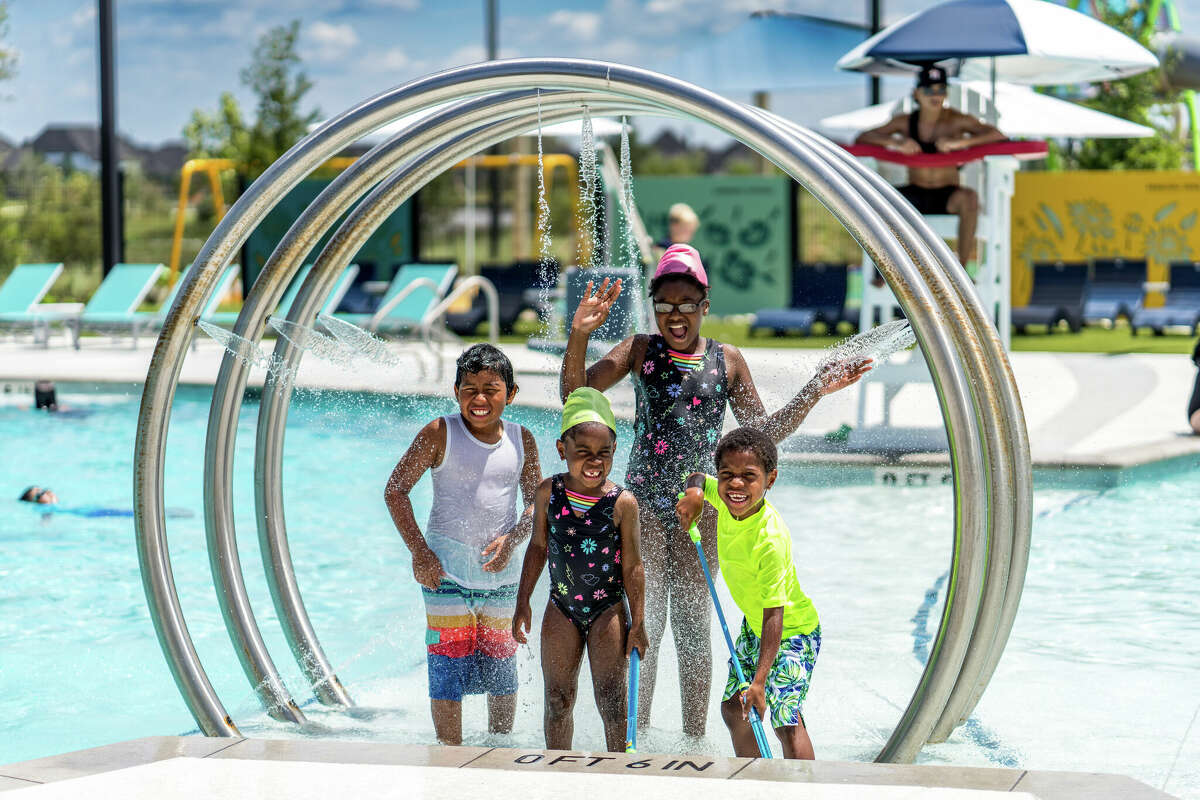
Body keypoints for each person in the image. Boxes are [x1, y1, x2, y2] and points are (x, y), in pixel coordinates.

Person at [559, 244, 869, 736]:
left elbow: (762, 434)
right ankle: (635, 739)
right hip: (643, 505)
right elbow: (577, 400)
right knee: (648, 621)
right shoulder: (640, 350)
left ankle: (694, 738)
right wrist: (579, 336)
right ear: (653, 308)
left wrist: (814, 389)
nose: (675, 316)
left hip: (704, 508)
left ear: (705, 305)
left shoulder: (728, 360)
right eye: (665, 306)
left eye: (687, 305)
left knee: (694, 625)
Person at [384, 343, 542, 746]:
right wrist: (420, 551)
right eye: (469, 389)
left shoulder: (523, 440)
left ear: (511, 393)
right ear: (456, 393)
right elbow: (396, 490)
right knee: (447, 663)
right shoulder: (441, 432)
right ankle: (449, 751)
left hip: (502, 577)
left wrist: (513, 539)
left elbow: (535, 505)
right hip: (444, 573)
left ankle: (499, 747)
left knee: (501, 663)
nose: (480, 399)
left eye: (491, 388)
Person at [512, 387, 647, 752]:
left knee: (612, 702)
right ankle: (559, 774)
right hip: (561, 608)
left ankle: (620, 776)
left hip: (608, 611)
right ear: (562, 450)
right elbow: (538, 548)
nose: (594, 461)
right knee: (557, 700)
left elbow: (633, 566)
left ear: (614, 451)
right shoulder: (547, 492)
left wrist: (639, 622)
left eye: (604, 453)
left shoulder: (623, 503)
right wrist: (523, 601)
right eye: (583, 452)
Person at [675, 427, 820, 760]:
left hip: (792, 632)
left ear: (770, 480)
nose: (736, 484)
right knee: (735, 710)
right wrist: (695, 495)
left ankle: (805, 790)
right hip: (757, 628)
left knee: (785, 720)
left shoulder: (771, 539)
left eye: (749, 477)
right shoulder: (726, 500)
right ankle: (757, 782)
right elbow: (696, 476)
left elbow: (775, 614)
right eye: (727, 475)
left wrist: (759, 681)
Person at [854, 65, 1006, 266]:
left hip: (948, 195)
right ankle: (885, 267)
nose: (935, 95)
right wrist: (897, 143)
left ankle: (961, 268)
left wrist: (960, 143)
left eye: (940, 89)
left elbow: (998, 135)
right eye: (928, 90)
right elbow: (863, 137)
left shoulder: (957, 121)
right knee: (880, 199)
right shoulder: (905, 122)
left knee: (970, 198)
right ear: (917, 94)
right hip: (915, 195)